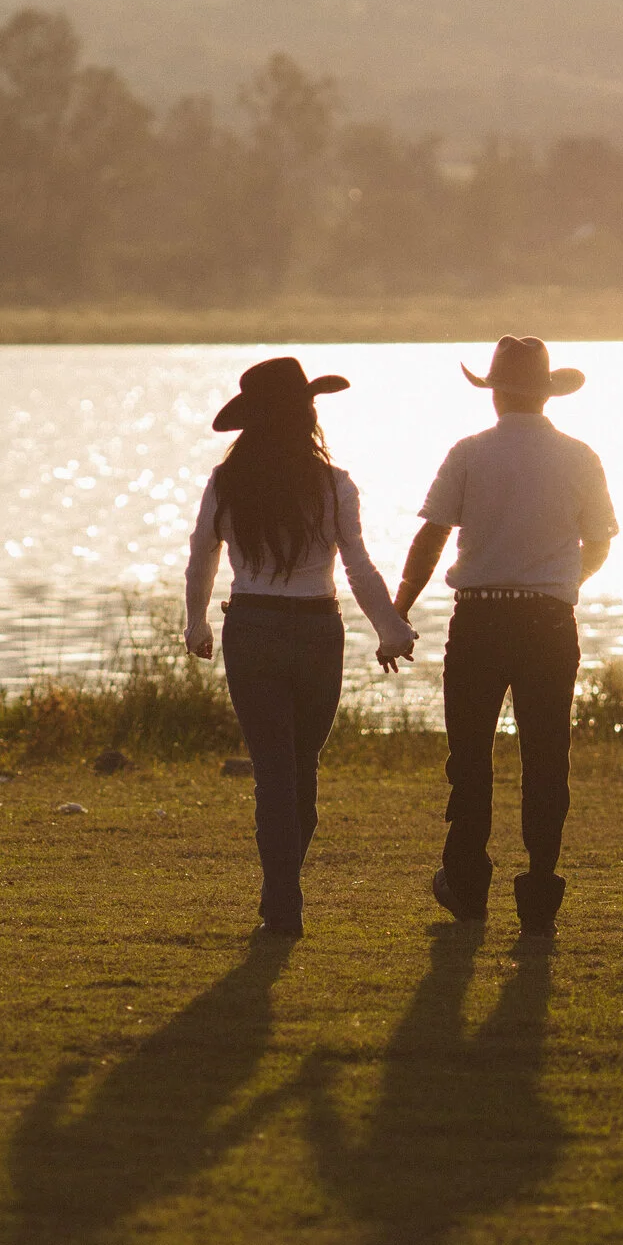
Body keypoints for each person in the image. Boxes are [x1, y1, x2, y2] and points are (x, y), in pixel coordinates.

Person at [386, 336, 617, 935]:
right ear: (545, 394)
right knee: (546, 759)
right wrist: (561, 582)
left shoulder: (469, 453)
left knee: (470, 758)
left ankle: (466, 882)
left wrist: (398, 611)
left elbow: (431, 538)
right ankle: (540, 889)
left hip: (480, 619)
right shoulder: (581, 456)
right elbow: (599, 542)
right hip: (548, 621)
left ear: (494, 394)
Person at [186, 357, 419, 938]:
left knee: (274, 773)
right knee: (301, 771)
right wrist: (389, 627)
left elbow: (202, 555)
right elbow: (359, 566)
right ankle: (283, 894)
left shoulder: (228, 480)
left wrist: (195, 622)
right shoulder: (334, 483)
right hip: (318, 631)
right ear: (306, 413)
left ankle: (281, 897)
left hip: (253, 628)